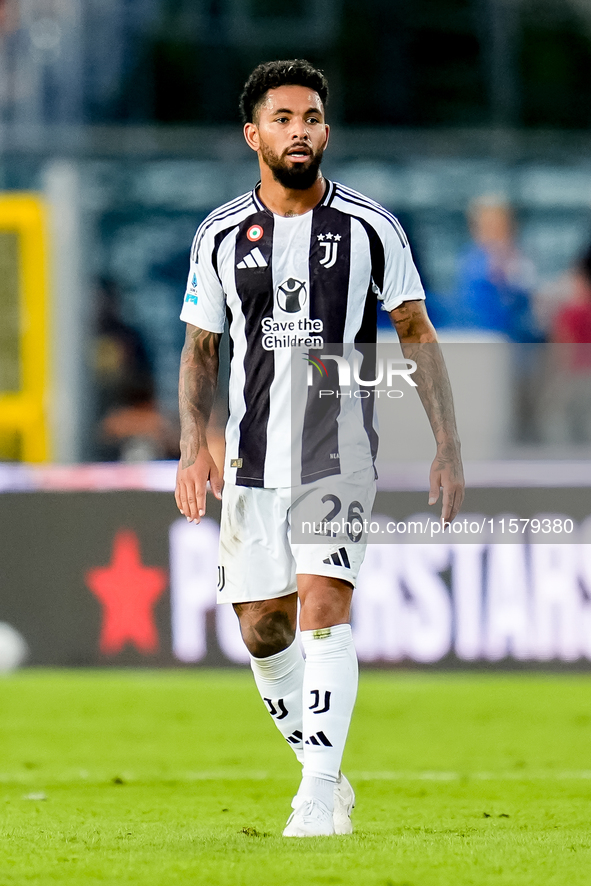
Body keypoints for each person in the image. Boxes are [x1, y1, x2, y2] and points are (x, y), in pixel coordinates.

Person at [175, 59, 464, 837]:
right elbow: (201, 348)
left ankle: (315, 796)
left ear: (326, 130)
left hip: (340, 449)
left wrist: (447, 446)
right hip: (250, 459)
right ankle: (325, 775)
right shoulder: (221, 234)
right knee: (262, 629)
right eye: (282, 119)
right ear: (253, 134)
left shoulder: (371, 227)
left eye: (309, 118)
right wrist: (190, 448)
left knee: (323, 608)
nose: (297, 131)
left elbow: (414, 333)